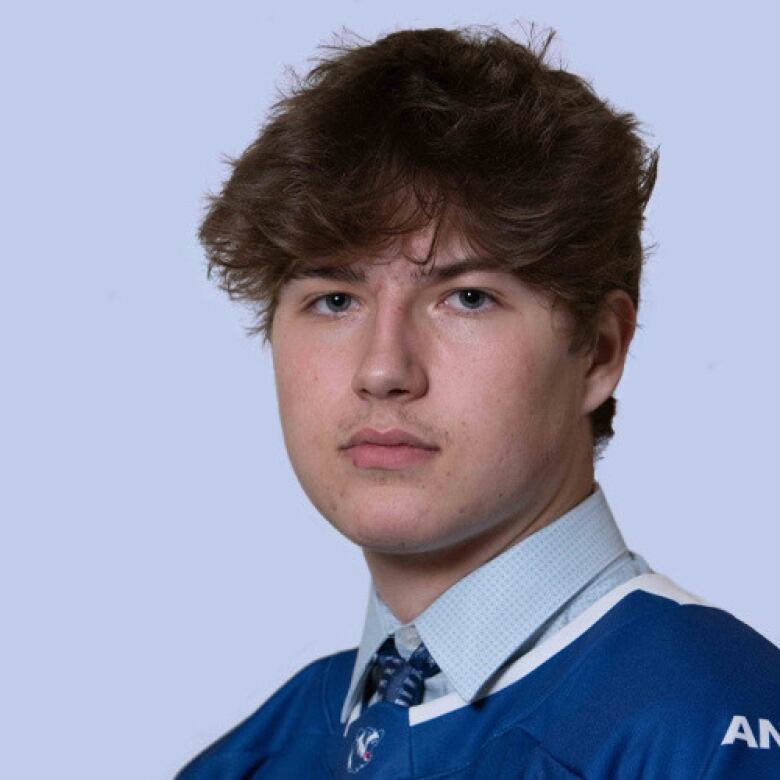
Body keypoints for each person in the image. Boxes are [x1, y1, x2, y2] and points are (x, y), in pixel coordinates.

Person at [176, 25, 780, 779]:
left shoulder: (709, 730)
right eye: (334, 299)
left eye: (467, 297)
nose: (383, 369)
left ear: (598, 350)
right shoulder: (250, 761)